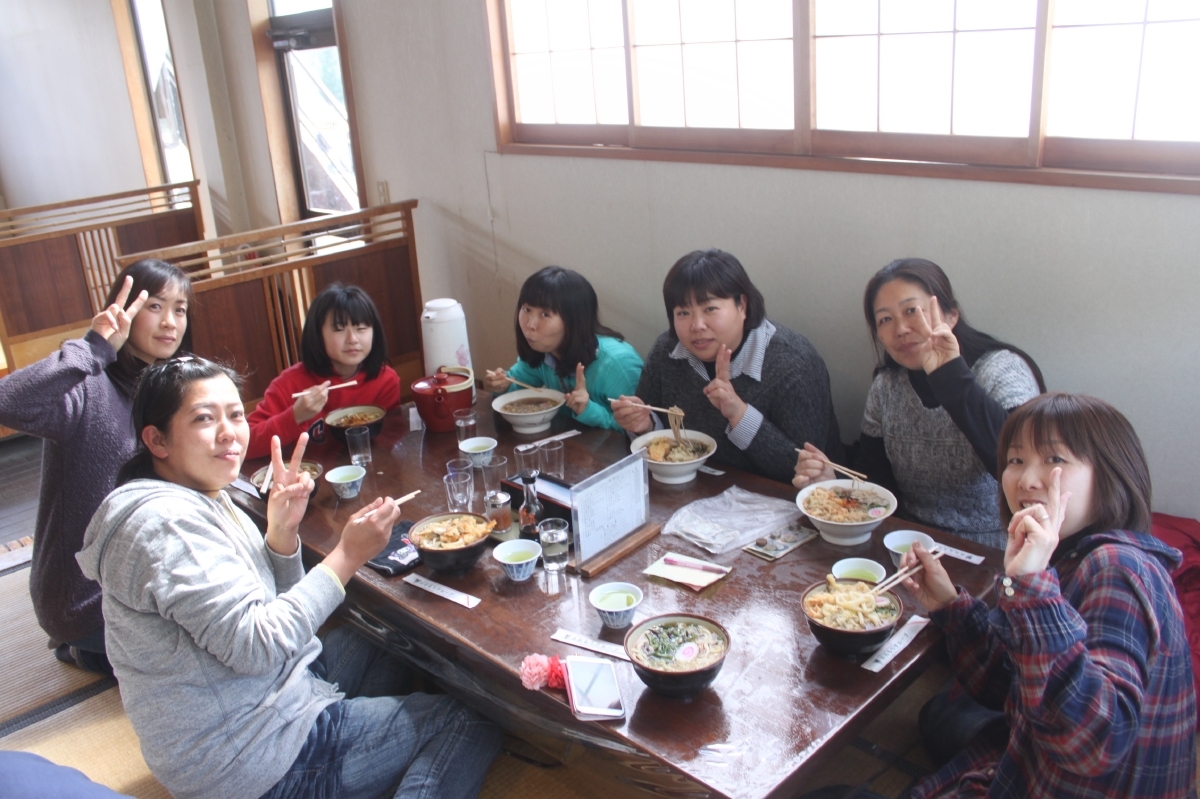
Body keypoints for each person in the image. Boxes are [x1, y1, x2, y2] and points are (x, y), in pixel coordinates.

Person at [77, 357, 501, 799]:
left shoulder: (199, 493)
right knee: (470, 720)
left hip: (275, 692)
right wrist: (346, 556)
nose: (229, 432)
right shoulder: (167, 526)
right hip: (251, 757)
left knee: (393, 634)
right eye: (204, 418)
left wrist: (281, 533)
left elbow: (276, 617)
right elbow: (259, 644)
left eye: (235, 415)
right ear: (157, 440)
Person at [902, 393, 1196, 798]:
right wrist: (950, 605)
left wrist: (1031, 588)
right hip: (1040, 757)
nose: (1026, 479)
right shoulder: (1071, 557)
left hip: (1070, 781)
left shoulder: (1117, 568)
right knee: (940, 718)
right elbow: (1014, 682)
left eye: (1055, 459)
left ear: (1111, 475)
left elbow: (1093, 746)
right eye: (1016, 460)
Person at [0, 258, 191, 674]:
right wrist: (93, 346)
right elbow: (7, 402)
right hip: (87, 600)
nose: (170, 322)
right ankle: (80, 649)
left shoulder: (169, 389)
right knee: (202, 655)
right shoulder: (89, 385)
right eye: (155, 306)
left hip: (148, 579)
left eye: (179, 309)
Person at [794, 259, 1044, 549]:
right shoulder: (887, 386)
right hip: (904, 540)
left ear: (951, 315)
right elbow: (877, 484)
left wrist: (950, 375)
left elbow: (1022, 469)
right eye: (885, 320)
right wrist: (833, 484)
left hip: (992, 547)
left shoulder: (1002, 371)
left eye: (912, 310)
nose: (900, 329)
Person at [613, 248, 841, 484]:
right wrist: (644, 427)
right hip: (689, 487)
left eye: (710, 309)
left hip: (776, 497)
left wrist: (739, 414)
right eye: (683, 312)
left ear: (742, 305)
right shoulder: (668, 350)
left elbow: (806, 472)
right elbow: (648, 438)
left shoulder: (793, 363)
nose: (697, 325)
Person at [247, 283, 400, 459]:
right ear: (318, 334)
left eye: (361, 328)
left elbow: (390, 439)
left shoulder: (385, 380)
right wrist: (296, 415)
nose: (352, 339)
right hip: (306, 472)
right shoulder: (289, 384)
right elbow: (246, 445)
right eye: (339, 329)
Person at [483, 266, 643, 431]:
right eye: (526, 309)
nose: (530, 324)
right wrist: (504, 386)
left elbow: (638, 430)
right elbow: (517, 385)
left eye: (545, 314)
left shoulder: (618, 364)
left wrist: (589, 410)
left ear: (574, 320)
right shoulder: (543, 352)